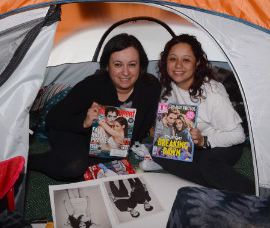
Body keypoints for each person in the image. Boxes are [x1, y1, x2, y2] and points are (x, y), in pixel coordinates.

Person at [28, 33, 161, 181]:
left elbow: (142, 126)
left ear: (141, 65)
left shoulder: (151, 87)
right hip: (72, 130)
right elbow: (53, 118)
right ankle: (29, 161)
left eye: (132, 64)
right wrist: (84, 122)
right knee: (74, 166)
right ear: (106, 66)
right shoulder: (92, 85)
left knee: (101, 167)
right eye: (118, 64)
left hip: (105, 144)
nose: (125, 72)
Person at [152, 34, 255, 194]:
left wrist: (204, 141)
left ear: (197, 62)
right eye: (173, 59)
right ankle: (214, 179)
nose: (178, 65)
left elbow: (238, 136)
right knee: (159, 152)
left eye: (186, 60)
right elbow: (171, 123)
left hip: (223, 142)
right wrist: (160, 130)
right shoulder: (168, 86)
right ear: (166, 61)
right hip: (192, 144)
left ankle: (255, 193)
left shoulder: (213, 93)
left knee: (208, 164)